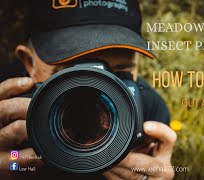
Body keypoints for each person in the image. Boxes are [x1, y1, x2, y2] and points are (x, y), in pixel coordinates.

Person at [0, 0, 176, 179]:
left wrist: (149, 175)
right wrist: (13, 165)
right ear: (29, 63)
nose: (96, 90)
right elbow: (14, 163)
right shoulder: (5, 102)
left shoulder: (149, 108)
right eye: (73, 73)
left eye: (121, 72)